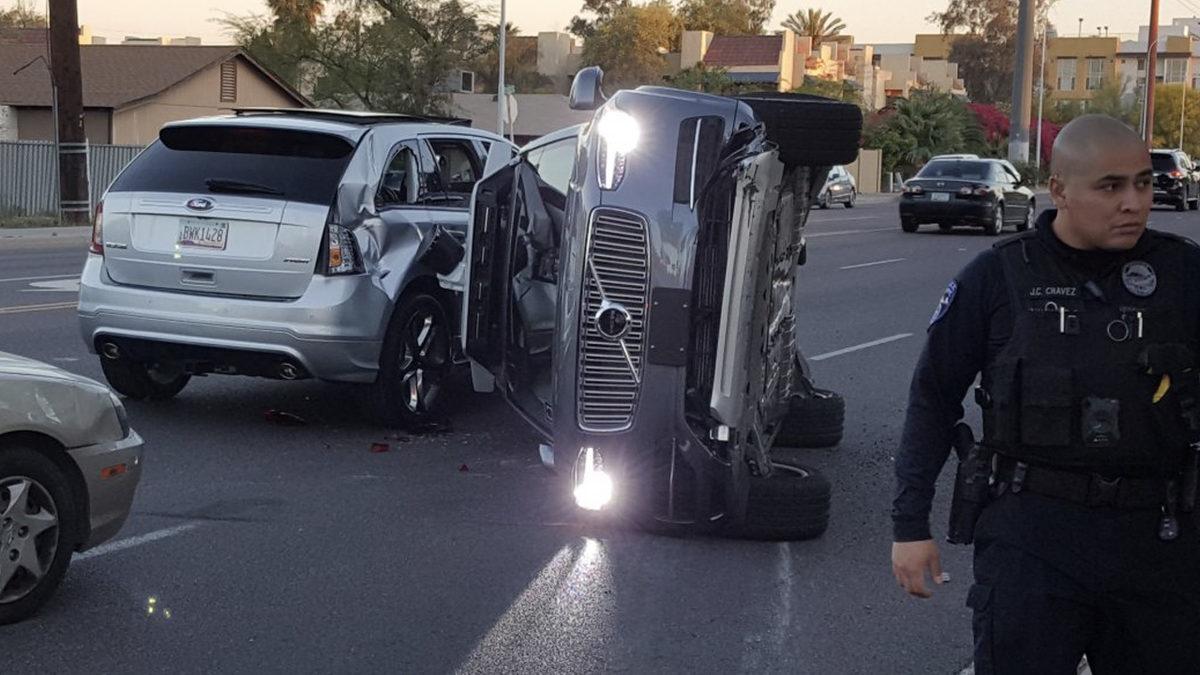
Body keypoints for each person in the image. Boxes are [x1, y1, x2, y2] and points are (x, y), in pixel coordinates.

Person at [890, 115, 1200, 674]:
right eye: (1110, 186)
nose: (1133, 201)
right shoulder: (998, 277)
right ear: (1058, 189)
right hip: (1032, 539)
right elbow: (934, 398)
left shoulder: (1183, 275)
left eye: (1143, 183)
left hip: (1159, 541)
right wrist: (909, 526)